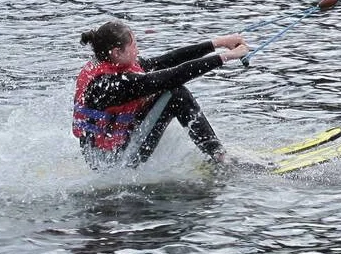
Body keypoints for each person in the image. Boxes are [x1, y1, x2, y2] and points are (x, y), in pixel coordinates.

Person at [72, 20, 249, 170]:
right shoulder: (108, 85)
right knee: (176, 94)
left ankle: (217, 154)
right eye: (134, 46)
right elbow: (174, 75)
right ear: (117, 52)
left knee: (171, 90)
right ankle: (220, 159)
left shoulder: (111, 63)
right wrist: (227, 57)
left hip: (112, 151)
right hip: (112, 162)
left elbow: (167, 61)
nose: (138, 51)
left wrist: (218, 43)